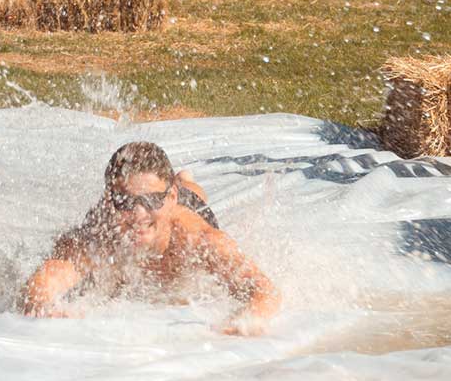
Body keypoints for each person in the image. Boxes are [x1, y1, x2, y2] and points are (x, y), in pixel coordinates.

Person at [20, 142, 281, 335]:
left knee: (195, 194)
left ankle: (185, 181)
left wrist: (247, 320)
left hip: (184, 204)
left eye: (152, 199)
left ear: (169, 198)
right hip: (126, 211)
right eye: (125, 201)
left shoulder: (198, 239)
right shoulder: (102, 231)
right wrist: (42, 301)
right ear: (109, 199)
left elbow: (263, 291)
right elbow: (49, 275)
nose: (138, 213)